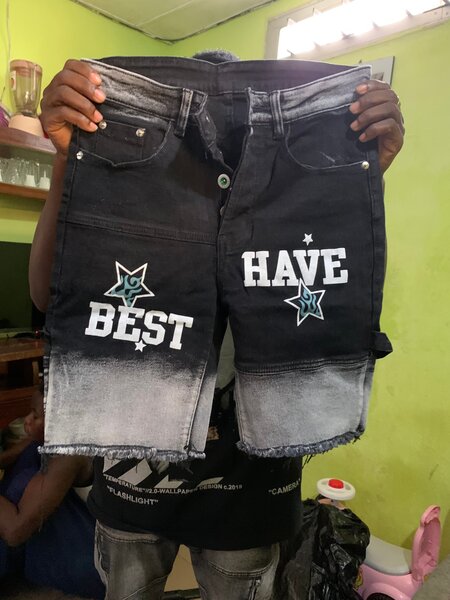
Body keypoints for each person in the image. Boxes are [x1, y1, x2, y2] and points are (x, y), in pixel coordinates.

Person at [29, 50, 405, 600]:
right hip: (135, 476)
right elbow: (49, 296)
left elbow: (339, 285)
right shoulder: (139, 203)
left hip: (249, 488)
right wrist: (73, 162)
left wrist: (352, 175)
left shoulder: (287, 208)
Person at [0, 384, 104, 598]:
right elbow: (12, 455)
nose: (27, 420)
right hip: (58, 549)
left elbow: (14, 531)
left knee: (19, 488)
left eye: (35, 415)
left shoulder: (69, 453)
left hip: (78, 560)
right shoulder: (47, 438)